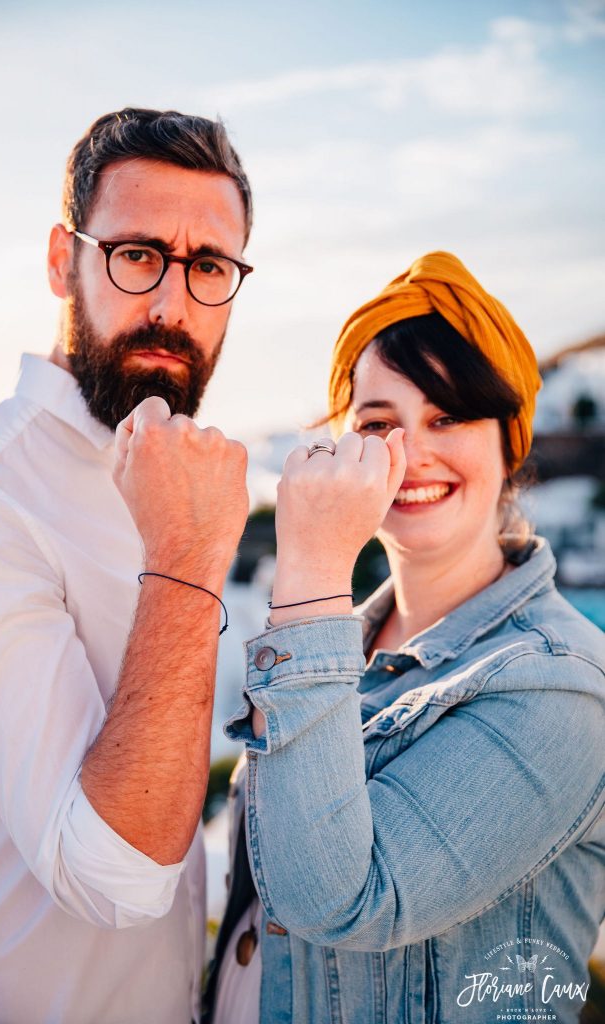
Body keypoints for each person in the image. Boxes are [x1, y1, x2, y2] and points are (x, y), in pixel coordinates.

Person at [207, 252, 605, 1024]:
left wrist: (313, 559)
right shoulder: (336, 645)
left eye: (448, 416)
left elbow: (338, 900)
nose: (412, 452)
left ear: (509, 441)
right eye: (379, 425)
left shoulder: (560, 686)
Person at [0, 107, 254, 1024]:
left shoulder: (171, 471)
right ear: (62, 259)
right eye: (137, 254)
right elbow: (116, 879)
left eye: (209, 268)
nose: (171, 304)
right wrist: (188, 556)